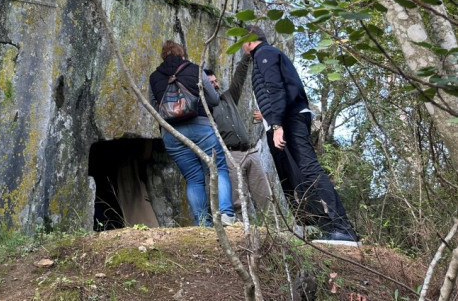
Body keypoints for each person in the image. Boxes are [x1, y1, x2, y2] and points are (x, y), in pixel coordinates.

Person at [242, 24, 358, 244]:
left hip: (290, 120)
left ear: (248, 40)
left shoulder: (264, 53)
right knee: (295, 176)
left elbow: (275, 89)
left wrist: (276, 124)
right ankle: (322, 225)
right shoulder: (264, 56)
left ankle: (341, 228)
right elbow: (276, 92)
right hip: (286, 118)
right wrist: (267, 116)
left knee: (308, 169)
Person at [149, 40, 236, 227]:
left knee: (193, 178)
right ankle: (226, 216)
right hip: (201, 127)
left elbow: (153, 106)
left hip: (172, 133)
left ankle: (203, 224)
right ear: (182, 55)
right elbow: (214, 100)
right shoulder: (195, 70)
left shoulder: (154, 77)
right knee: (218, 169)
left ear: (163, 56)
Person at [204, 59, 272, 218]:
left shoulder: (228, 97)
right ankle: (240, 229)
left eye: (215, 81)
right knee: (237, 198)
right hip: (230, 155)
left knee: (264, 194)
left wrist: (246, 58)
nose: (215, 84)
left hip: (250, 151)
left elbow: (238, 79)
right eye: (210, 83)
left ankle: (269, 227)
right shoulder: (204, 107)